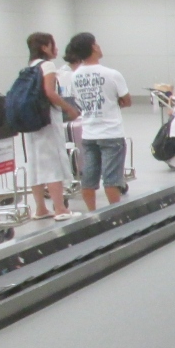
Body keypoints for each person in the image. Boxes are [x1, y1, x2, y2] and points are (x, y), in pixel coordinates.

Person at [21, 33, 81, 220]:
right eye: (52, 45)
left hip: (32, 122)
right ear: (45, 47)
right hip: (47, 121)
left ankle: (40, 208)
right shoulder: (47, 66)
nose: (56, 49)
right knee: (53, 162)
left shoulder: (29, 67)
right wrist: (69, 108)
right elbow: (50, 92)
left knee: (35, 164)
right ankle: (60, 209)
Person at [69, 32, 131, 211]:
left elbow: (78, 102)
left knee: (88, 178)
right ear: (93, 47)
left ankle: (92, 213)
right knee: (111, 179)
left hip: (89, 133)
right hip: (111, 133)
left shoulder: (75, 76)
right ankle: (115, 213)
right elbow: (127, 100)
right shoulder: (112, 74)